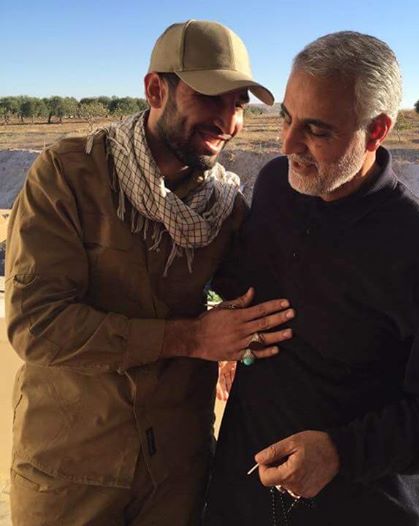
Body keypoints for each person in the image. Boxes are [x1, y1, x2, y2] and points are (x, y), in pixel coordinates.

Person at [5, 20, 295, 525]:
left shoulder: (223, 206)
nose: (228, 121)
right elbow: (37, 325)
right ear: (156, 89)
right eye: (211, 97)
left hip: (177, 478)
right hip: (72, 475)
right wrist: (192, 339)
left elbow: (258, 296)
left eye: (239, 104)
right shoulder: (69, 175)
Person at [204, 30, 419, 525]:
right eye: (286, 118)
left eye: (317, 130)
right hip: (244, 495)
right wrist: (230, 333)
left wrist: (341, 451)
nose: (288, 144)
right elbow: (255, 282)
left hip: (361, 508)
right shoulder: (277, 185)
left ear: (377, 130)